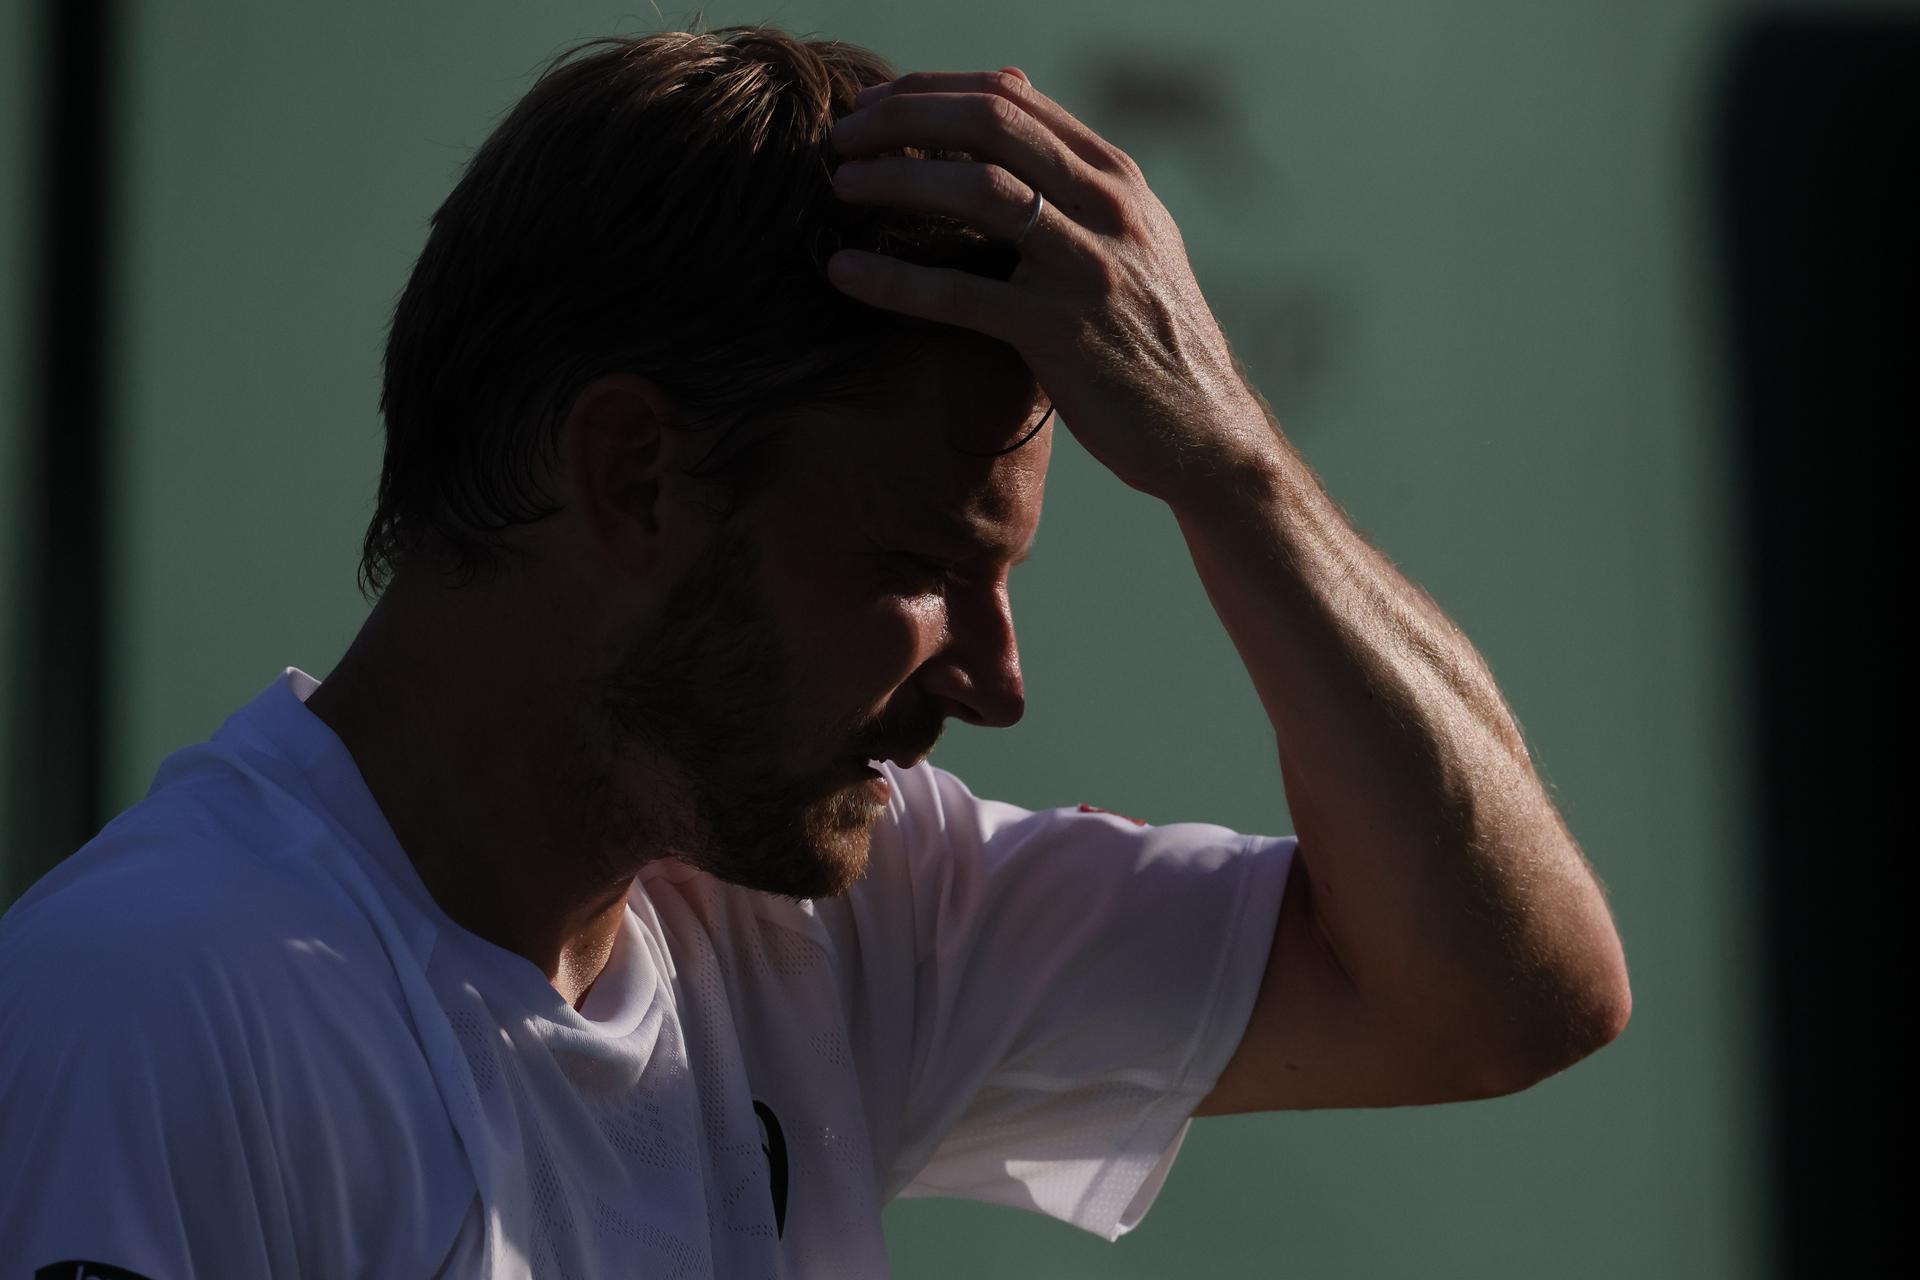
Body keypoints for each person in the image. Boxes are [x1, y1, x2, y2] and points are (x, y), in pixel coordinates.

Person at [0, 24, 1631, 1279]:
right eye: (918, 566)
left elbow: (1503, 1000)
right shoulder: (146, 1008)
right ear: (634, 477)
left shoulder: (829, 917)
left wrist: (1233, 469)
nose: (995, 683)